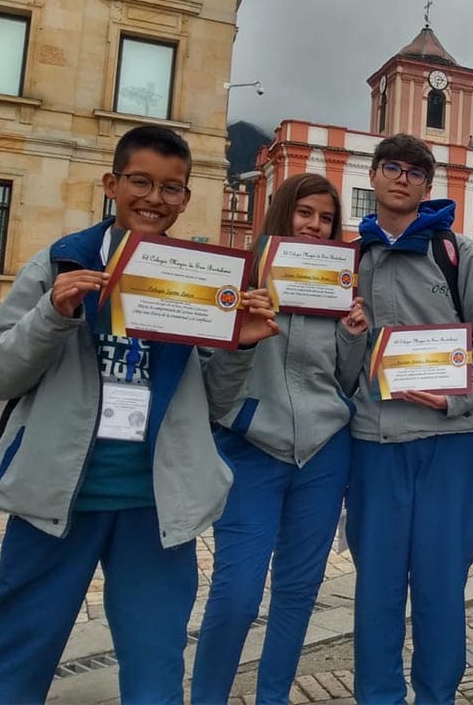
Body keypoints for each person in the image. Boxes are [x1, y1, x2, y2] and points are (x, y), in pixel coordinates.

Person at [0, 125, 278, 704]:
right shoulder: (62, 259)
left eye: (172, 188)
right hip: (57, 501)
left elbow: (215, 402)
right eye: (140, 181)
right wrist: (52, 315)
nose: (155, 199)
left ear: (187, 197)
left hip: (156, 507)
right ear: (112, 183)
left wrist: (242, 347)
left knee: (156, 667)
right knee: (15, 657)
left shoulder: (197, 279)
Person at [191, 173, 367, 704]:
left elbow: (343, 380)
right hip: (250, 449)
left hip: (324, 454)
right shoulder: (240, 280)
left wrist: (353, 335)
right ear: (282, 214)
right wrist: (240, 336)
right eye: (304, 213)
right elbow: (215, 396)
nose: (315, 226)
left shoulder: (339, 284)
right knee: (237, 593)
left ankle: (273, 697)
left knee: (297, 591)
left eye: (326, 218)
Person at [343, 133, 473, 705]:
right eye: (392, 167)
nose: (403, 178)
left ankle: (437, 694)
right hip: (376, 442)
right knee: (378, 590)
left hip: (451, 442)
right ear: (375, 175)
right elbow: (339, 358)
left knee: (441, 588)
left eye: (415, 171)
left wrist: (457, 399)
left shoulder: (455, 251)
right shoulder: (351, 258)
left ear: (426, 184)